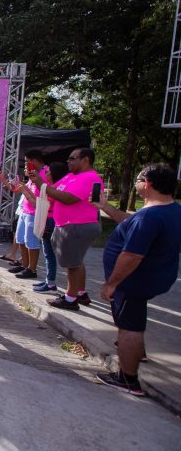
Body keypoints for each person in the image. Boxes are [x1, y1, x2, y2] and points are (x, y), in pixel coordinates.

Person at [92, 164, 181, 396]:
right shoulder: (170, 210)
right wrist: (105, 207)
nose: (135, 183)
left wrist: (112, 282)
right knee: (135, 319)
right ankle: (137, 353)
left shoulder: (149, 217)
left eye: (138, 179)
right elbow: (128, 221)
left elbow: (132, 255)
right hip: (153, 278)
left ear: (148, 183)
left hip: (132, 282)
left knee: (129, 326)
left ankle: (128, 379)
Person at [31, 147, 103, 310]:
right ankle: (80, 294)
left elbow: (68, 198)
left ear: (85, 160)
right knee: (76, 261)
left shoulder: (90, 178)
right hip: (69, 225)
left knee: (73, 264)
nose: (68, 162)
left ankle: (70, 299)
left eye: (72, 158)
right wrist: (40, 184)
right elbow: (53, 191)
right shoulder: (71, 176)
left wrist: (43, 185)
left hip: (78, 225)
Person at [21, 162, 68, 293]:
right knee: (48, 254)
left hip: (51, 221)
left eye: (48, 172)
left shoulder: (54, 189)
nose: (45, 174)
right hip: (49, 219)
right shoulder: (52, 187)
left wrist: (27, 192)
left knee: (50, 254)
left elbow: (38, 204)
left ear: (54, 174)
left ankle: (51, 283)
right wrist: (26, 191)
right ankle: (49, 280)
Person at [11, 150, 47, 280]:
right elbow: (19, 189)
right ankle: (25, 264)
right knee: (21, 239)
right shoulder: (32, 174)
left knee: (31, 241)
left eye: (27, 161)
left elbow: (43, 193)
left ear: (35, 161)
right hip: (25, 211)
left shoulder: (44, 173)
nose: (26, 164)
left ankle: (32, 269)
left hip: (34, 213)